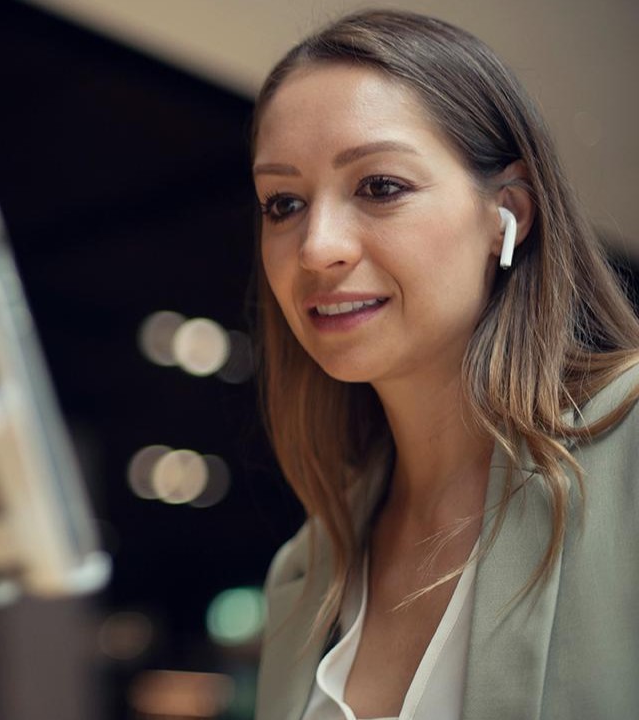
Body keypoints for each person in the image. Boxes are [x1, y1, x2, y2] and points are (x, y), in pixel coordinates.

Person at [249, 9, 639, 720]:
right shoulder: (301, 573)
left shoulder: (631, 452)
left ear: (507, 214)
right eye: (283, 203)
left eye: (380, 187)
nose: (315, 247)